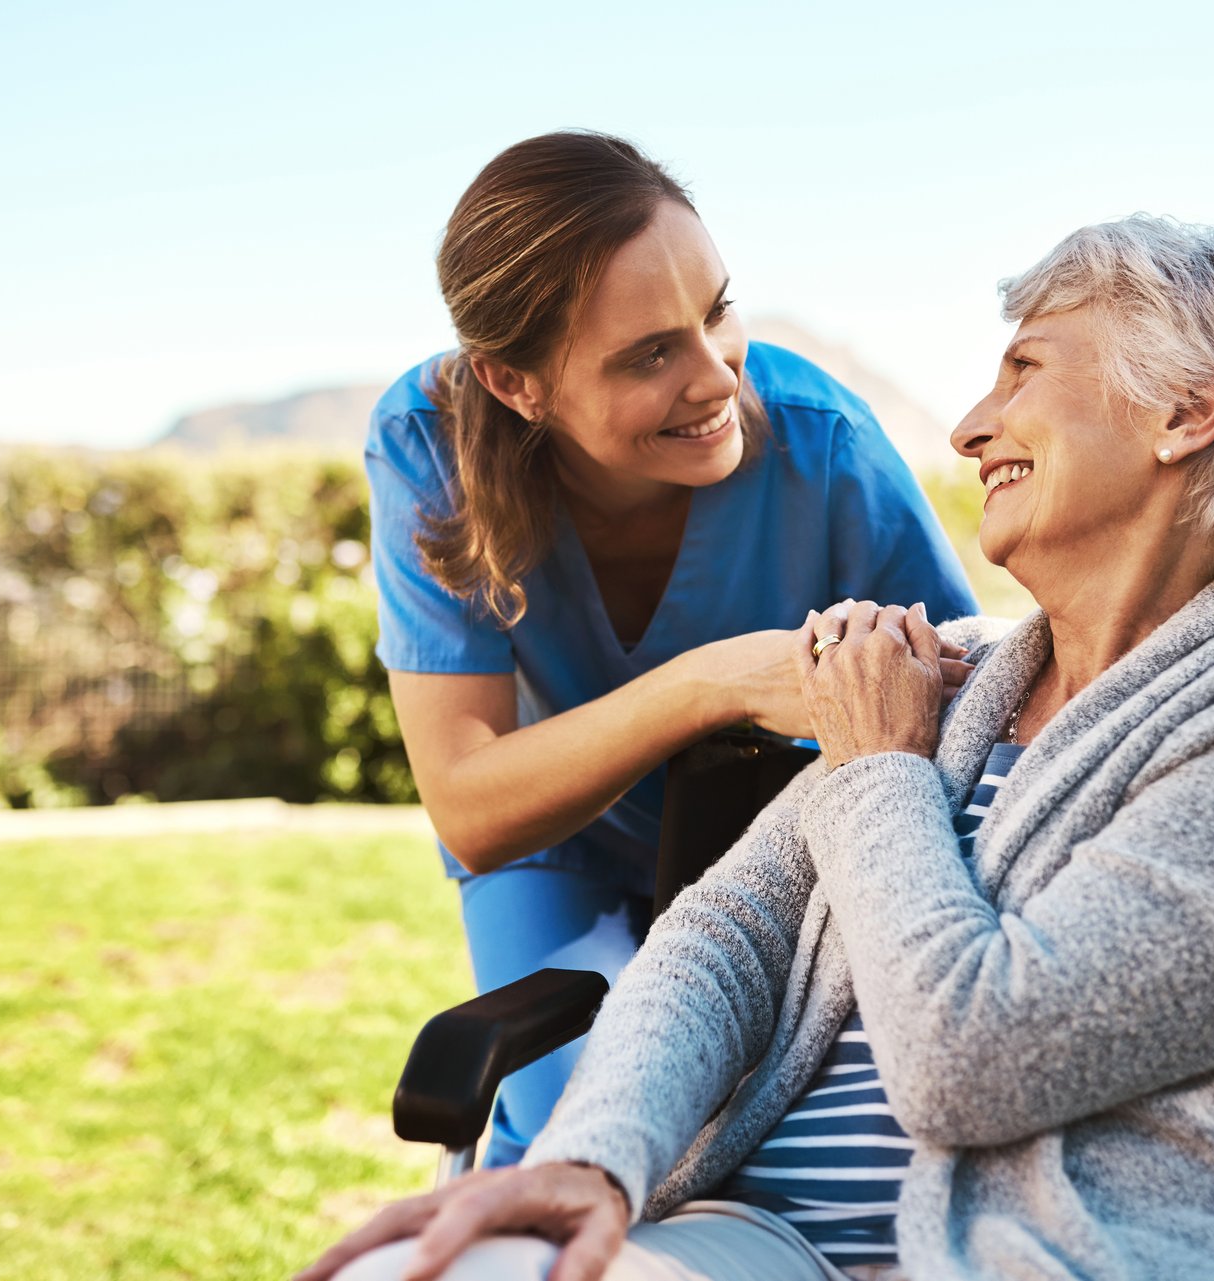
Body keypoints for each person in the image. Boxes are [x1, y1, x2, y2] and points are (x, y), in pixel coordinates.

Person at [304, 215, 1214, 1281]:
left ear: (1186, 412)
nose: (970, 427)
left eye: (1025, 371)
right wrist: (594, 1162)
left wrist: (881, 769)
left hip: (1097, 1247)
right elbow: (724, 937)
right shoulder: (959, 681)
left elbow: (980, 1062)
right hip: (768, 1241)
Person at [367, 131, 978, 1167]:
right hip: (561, 846)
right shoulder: (429, 446)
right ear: (516, 384)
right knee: (572, 1144)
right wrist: (709, 682)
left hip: (786, 850)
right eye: (651, 353)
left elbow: (973, 715)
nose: (716, 378)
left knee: (756, 1148)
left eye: (717, 311)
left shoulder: (823, 441)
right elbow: (471, 809)